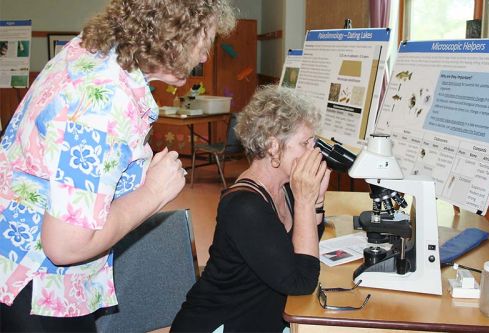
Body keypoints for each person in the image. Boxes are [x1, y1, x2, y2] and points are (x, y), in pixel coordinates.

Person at [0, 0, 236, 331]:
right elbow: (65, 245)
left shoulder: (94, 49)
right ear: (172, 36)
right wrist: (153, 192)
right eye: (203, 41)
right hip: (35, 286)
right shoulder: (105, 100)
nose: (203, 56)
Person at [171, 85, 331, 332]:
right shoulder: (244, 207)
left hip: (259, 317)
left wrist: (315, 202)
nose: (314, 151)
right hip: (223, 324)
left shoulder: (286, 187)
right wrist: (306, 203)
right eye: (305, 143)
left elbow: (304, 250)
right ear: (273, 146)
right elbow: (301, 281)